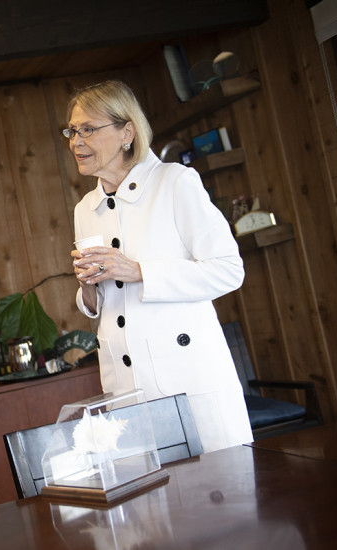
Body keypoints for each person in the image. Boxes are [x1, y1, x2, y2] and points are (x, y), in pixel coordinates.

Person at [67, 80, 252, 453]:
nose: (75, 141)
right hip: (126, 392)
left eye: (88, 129)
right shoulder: (84, 209)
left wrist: (138, 271)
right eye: (71, 131)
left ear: (127, 132)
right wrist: (88, 289)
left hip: (189, 383)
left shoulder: (176, 182)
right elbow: (104, 301)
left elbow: (229, 269)